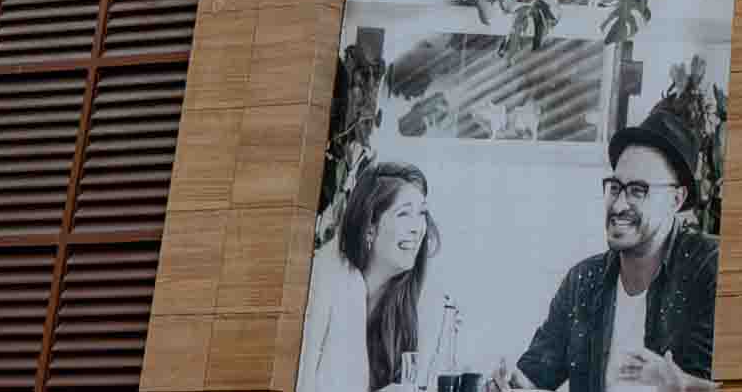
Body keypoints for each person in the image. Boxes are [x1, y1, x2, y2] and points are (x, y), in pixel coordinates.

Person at [504, 121, 720, 391]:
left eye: (638, 191)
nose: (618, 205)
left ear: (675, 200)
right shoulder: (583, 281)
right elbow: (533, 376)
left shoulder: (711, 269)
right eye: (615, 187)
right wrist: (508, 385)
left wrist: (684, 386)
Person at [304, 157, 468, 391]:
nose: (417, 228)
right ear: (369, 228)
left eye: (422, 213)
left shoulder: (422, 305)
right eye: (404, 214)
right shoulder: (327, 282)